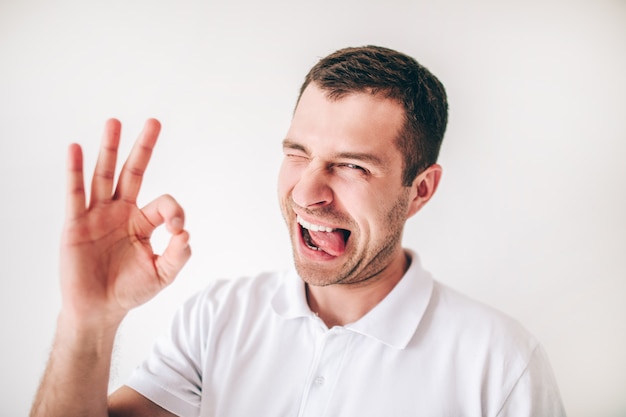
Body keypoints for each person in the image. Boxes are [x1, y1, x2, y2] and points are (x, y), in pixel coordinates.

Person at [30, 45, 566, 417]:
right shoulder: (217, 318)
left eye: (352, 166)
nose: (307, 192)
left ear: (420, 190)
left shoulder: (500, 363)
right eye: (297, 154)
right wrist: (88, 321)